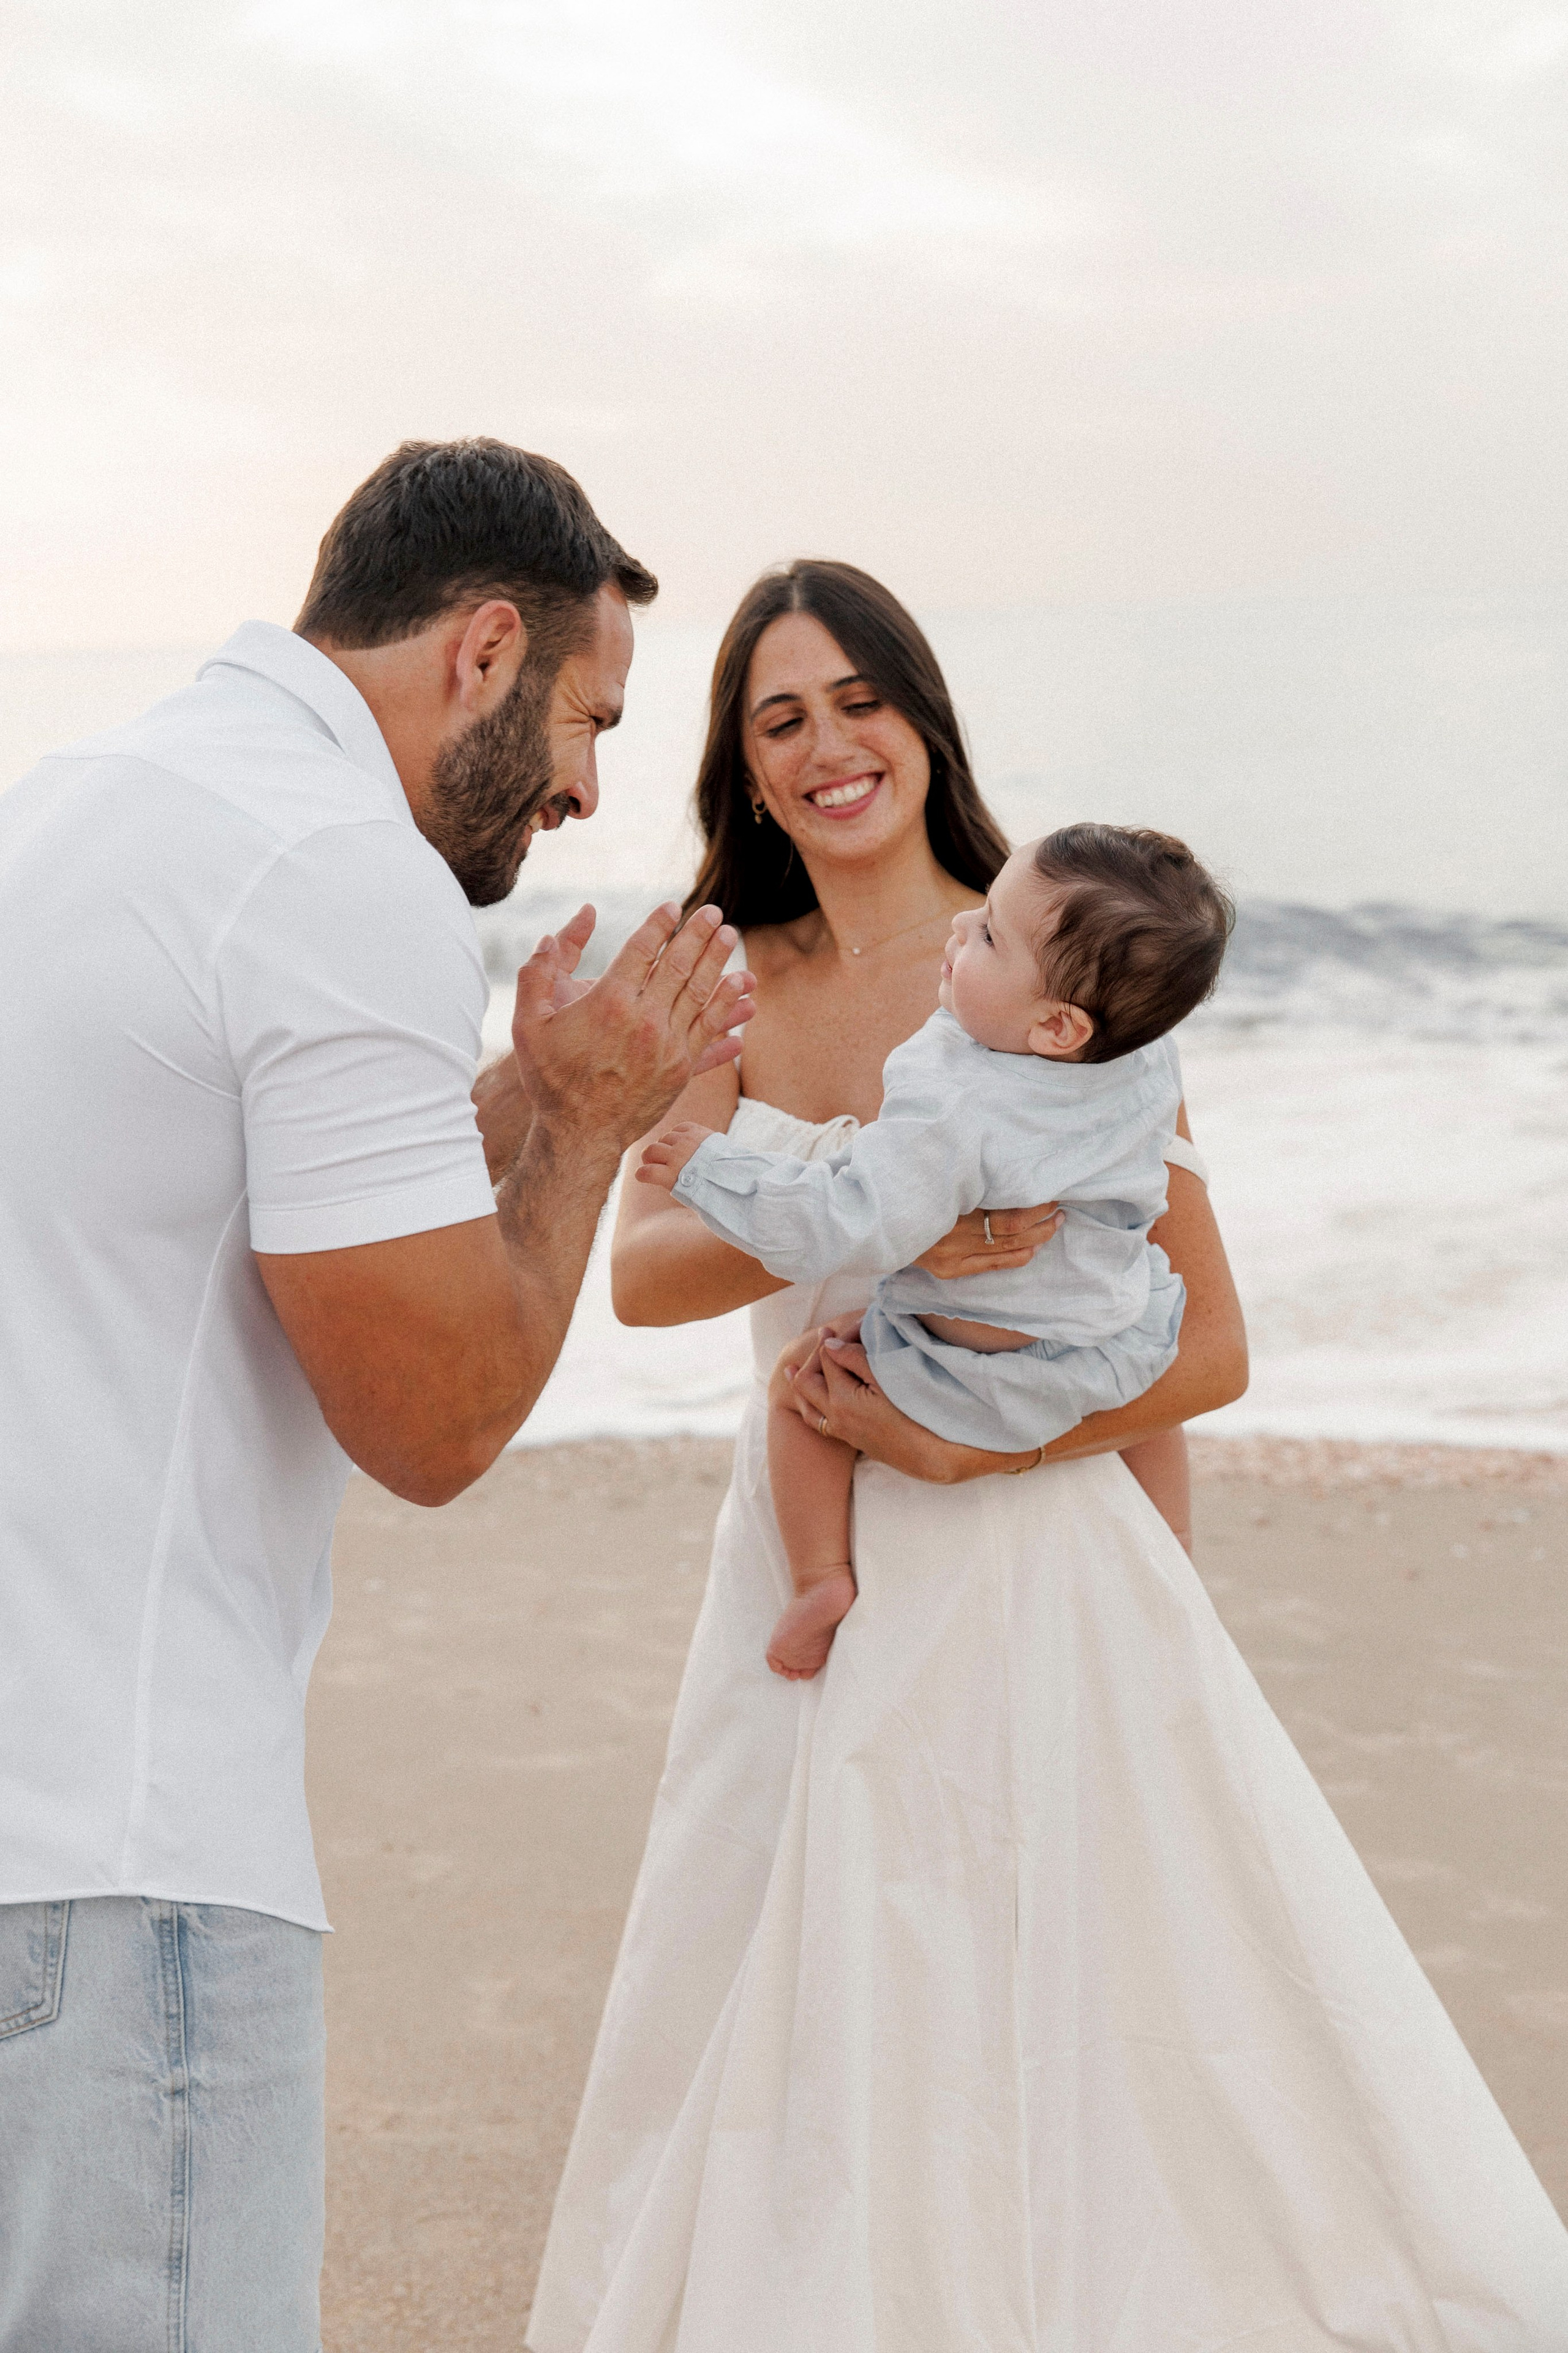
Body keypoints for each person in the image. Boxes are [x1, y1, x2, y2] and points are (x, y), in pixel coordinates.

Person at [525, 559, 1568, 2351]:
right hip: (809, 1541)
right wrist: (895, 1204)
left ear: (921, 715)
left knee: (1094, 1969)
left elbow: (1209, 1344)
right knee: (791, 1955)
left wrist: (985, 1466)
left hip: (1029, 1530)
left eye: (859, 700)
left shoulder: (1075, 976)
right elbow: (639, 1279)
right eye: (781, 721)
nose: (830, 746)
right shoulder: (727, 978)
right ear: (744, 766)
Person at [0, 437, 754, 2351]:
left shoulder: (79, 805)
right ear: (484, 648)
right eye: (591, 714)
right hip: (125, 1862)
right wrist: (590, 1120)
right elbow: (433, 1419)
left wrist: (513, 1093)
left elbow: (237, 1214)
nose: (590, 785)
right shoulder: (343, 869)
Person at [639, 823, 1232, 1679]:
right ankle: (1170, 1550)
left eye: (988, 932)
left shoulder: (948, 1095)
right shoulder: (1139, 1063)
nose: (961, 932)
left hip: (954, 1374)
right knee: (1150, 1340)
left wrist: (711, 1169)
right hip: (1100, 1348)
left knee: (801, 1385)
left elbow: (855, 1217)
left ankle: (819, 1579)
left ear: (1060, 1024)